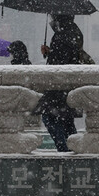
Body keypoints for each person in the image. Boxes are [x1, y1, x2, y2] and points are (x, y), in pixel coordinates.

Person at [37, 14, 83, 151]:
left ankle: (64, 150)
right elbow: (68, 56)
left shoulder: (61, 35)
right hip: (68, 85)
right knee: (66, 120)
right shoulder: (74, 32)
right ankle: (74, 148)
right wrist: (50, 52)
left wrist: (50, 54)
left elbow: (60, 60)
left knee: (49, 117)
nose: (52, 19)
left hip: (58, 84)